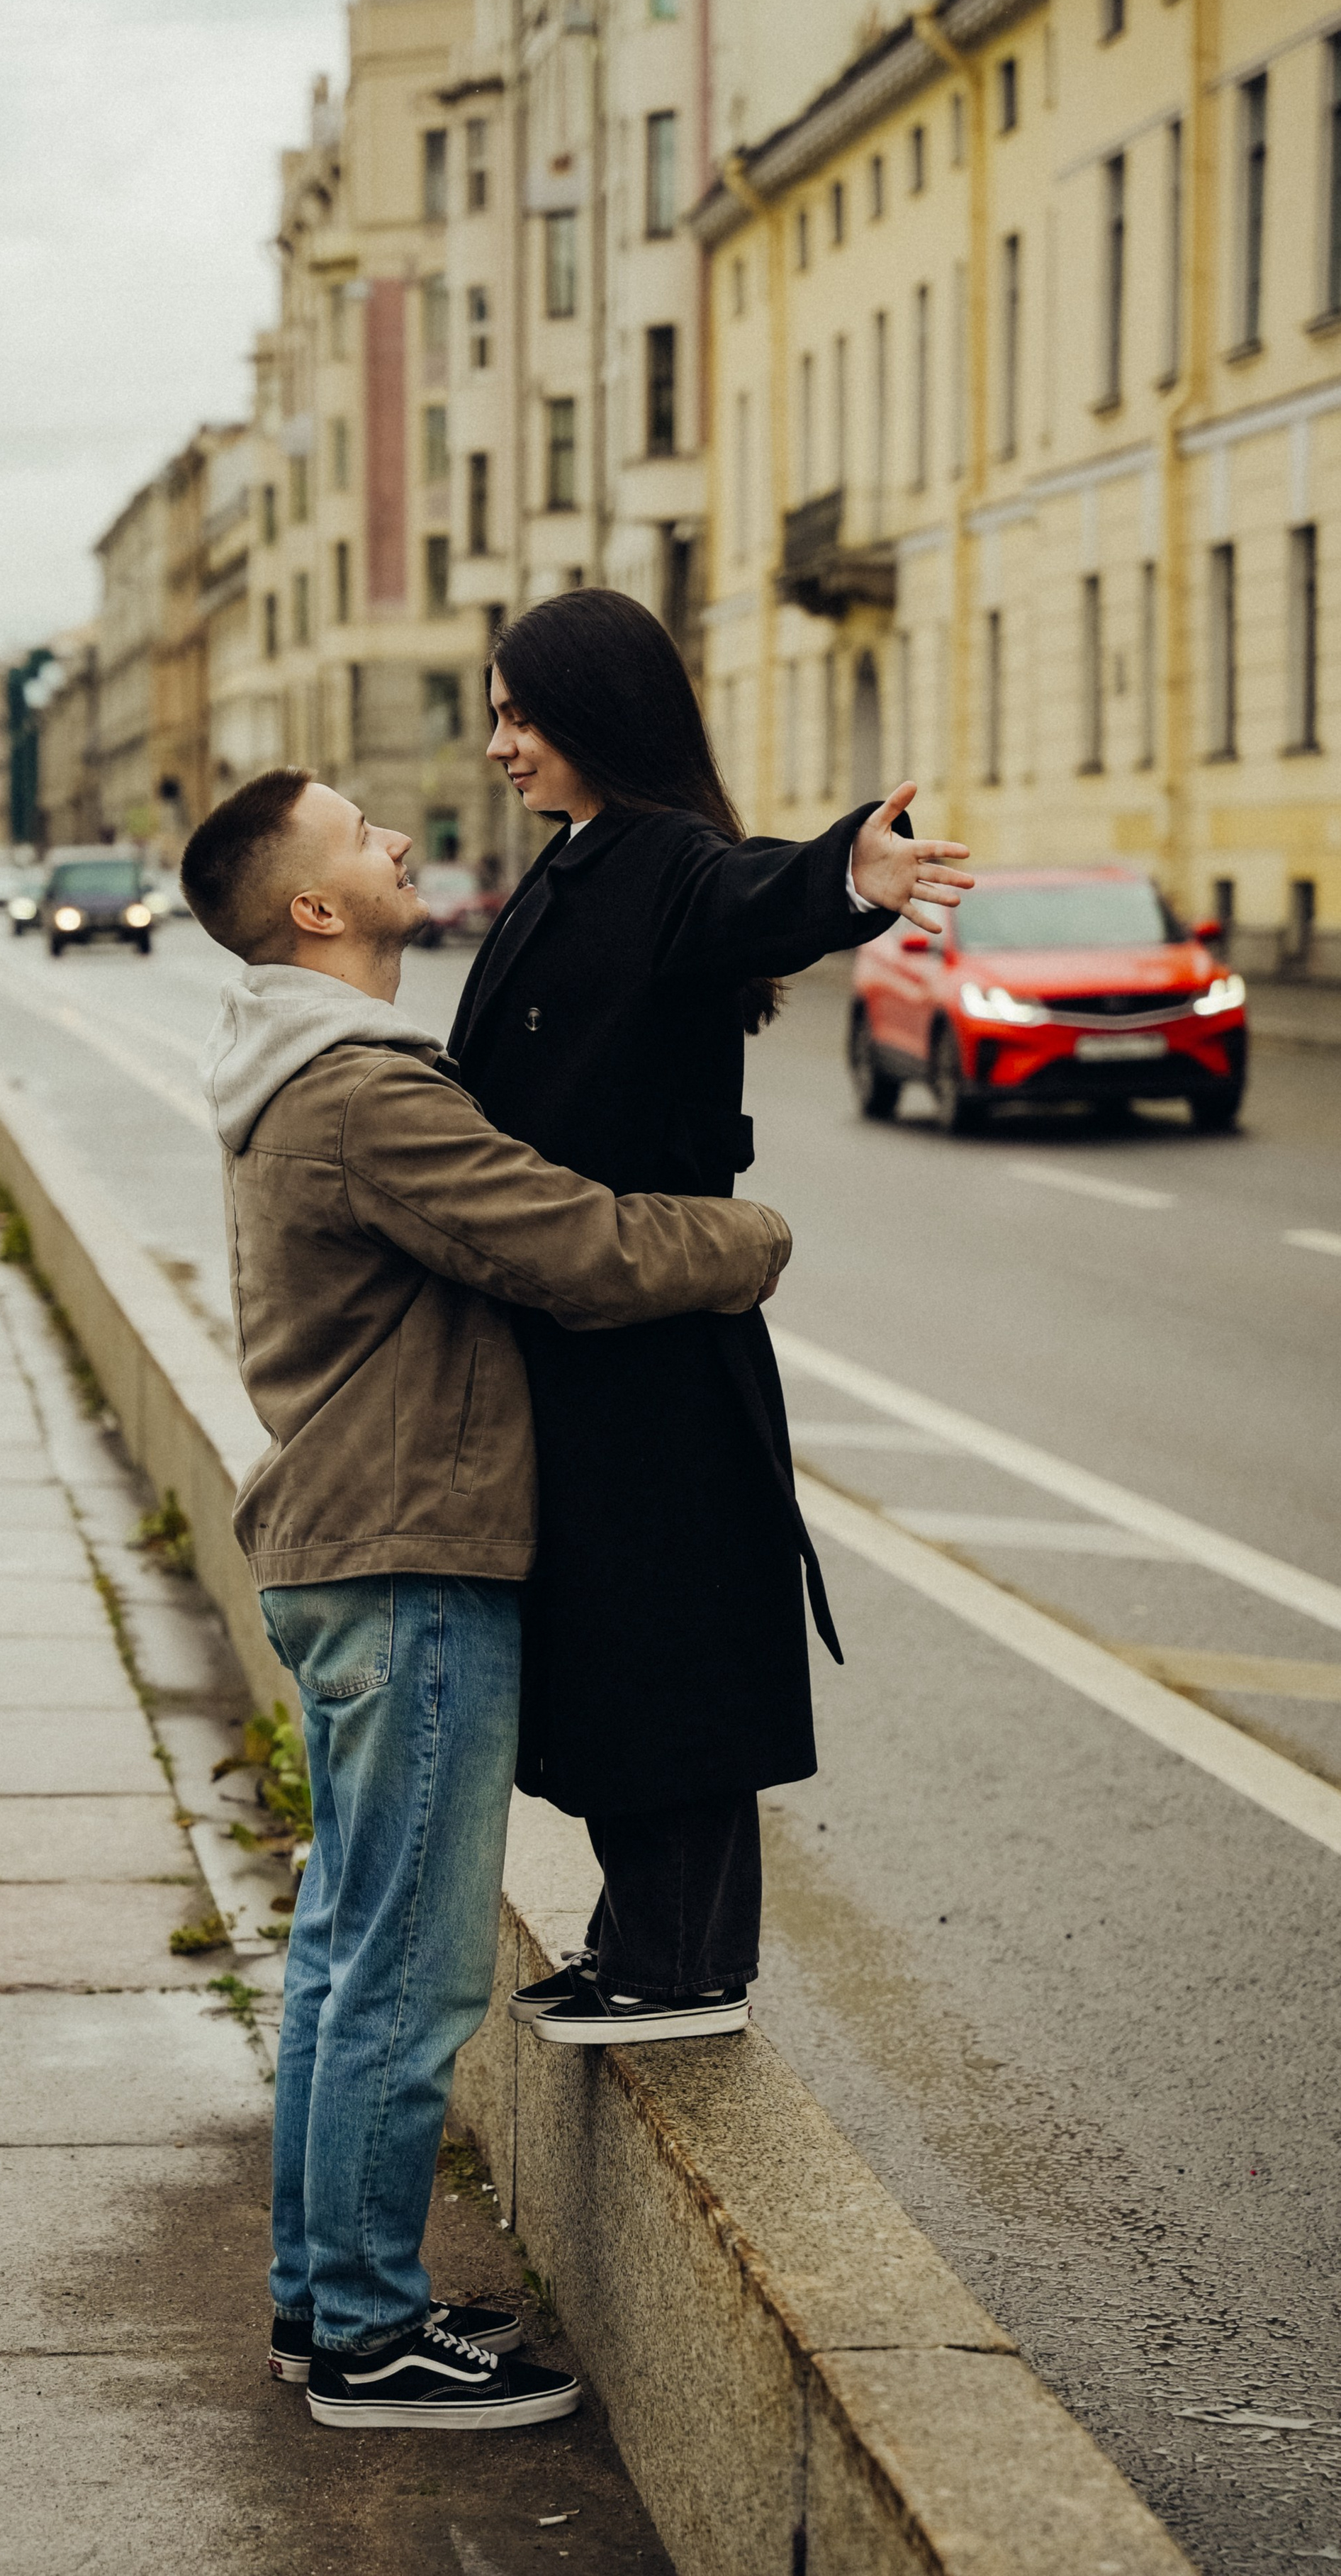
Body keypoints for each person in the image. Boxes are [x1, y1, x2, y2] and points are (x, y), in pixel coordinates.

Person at [180, 768, 792, 2431]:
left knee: (337, 1950)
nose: (395, 836)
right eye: (357, 830)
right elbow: (571, 1245)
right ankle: (371, 2334)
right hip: (409, 1557)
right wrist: (743, 1238)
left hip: (348, 1542)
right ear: (311, 908)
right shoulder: (359, 1092)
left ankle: (325, 2303)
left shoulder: (298, 1066)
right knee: (409, 1967)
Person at [450, 588, 971, 2049]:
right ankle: (635, 1936)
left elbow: (754, 893)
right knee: (608, 1644)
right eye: (494, 716)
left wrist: (850, 876)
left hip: (655, 1343)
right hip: (584, 1322)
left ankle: (682, 1966)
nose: (499, 745)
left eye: (520, 715)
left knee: (662, 1647)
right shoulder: (572, 861)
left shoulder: (664, 859)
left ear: (597, 713)